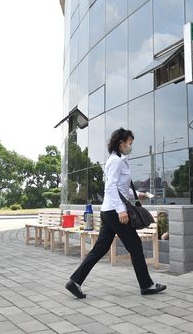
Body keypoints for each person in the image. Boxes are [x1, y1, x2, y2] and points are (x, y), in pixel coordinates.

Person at [65, 128, 167, 299]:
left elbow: (120, 188)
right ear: (120, 143)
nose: (130, 146)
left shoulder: (120, 160)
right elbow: (110, 187)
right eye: (129, 143)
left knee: (100, 249)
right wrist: (121, 210)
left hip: (109, 211)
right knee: (135, 246)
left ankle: (74, 282)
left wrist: (138, 195)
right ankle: (146, 285)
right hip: (114, 211)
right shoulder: (116, 162)